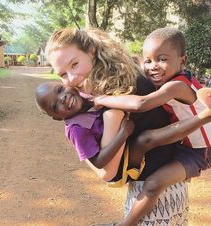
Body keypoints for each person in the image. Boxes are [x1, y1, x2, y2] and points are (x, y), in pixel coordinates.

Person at [44, 27, 191, 225]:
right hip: (165, 187)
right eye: (63, 74)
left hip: (154, 197)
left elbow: (107, 173)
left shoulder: (115, 100)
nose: (72, 79)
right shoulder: (122, 77)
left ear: (91, 51)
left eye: (75, 64)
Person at [92, 27, 211, 225]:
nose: (153, 66)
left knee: (153, 184)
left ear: (183, 60)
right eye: (148, 61)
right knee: (144, 142)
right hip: (183, 145)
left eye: (162, 59)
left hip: (195, 153)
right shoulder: (168, 81)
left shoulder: (176, 86)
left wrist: (102, 99)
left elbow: (142, 104)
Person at [35, 82, 211, 188]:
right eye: (55, 105)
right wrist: (123, 133)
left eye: (59, 90)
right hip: (119, 171)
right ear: (57, 118)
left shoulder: (86, 95)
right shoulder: (76, 129)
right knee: (145, 139)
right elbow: (99, 162)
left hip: (122, 149)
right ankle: (204, 117)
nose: (63, 98)